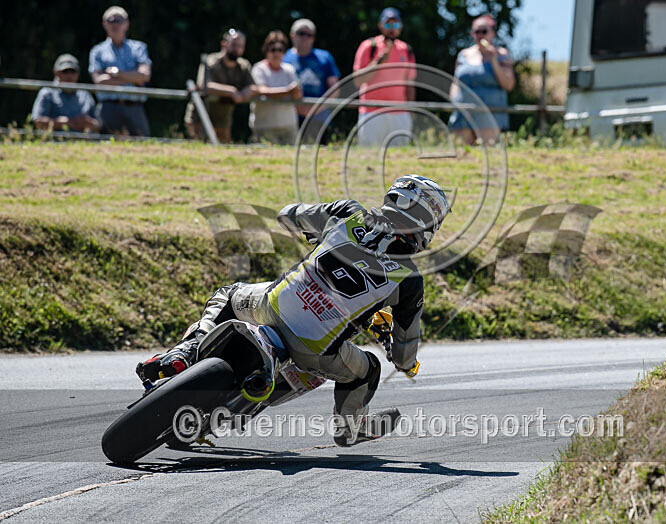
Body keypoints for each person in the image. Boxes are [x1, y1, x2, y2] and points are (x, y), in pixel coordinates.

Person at [136, 175, 450, 446]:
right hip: (313, 351)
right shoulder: (409, 281)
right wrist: (404, 361)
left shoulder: (346, 213)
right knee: (367, 370)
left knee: (228, 296)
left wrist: (313, 232)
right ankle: (350, 429)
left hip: (268, 308)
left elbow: (289, 215)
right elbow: (405, 350)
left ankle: (186, 352)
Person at [352, 7, 417, 147]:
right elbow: (358, 80)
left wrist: (410, 112)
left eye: (396, 24)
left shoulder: (407, 50)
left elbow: (409, 85)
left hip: (400, 114)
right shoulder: (369, 46)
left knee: (399, 158)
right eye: (388, 24)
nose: (392, 28)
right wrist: (378, 62)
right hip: (371, 112)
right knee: (369, 156)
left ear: (401, 27)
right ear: (380, 26)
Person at [449, 14, 515, 145]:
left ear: (493, 33)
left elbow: (508, 85)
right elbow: (455, 82)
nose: (480, 35)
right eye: (476, 32)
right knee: (461, 156)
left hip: (490, 114)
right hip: (463, 114)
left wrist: (494, 61)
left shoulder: (502, 55)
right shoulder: (463, 55)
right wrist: (454, 101)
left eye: (484, 31)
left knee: (487, 155)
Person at [88, 6, 152, 136]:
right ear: (104, 24)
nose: (115, 24)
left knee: (143, 148)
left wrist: (116, 74)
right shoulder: (97, 51)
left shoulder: (139, 48)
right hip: (108, 108)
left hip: (134, 108)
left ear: (127, 24)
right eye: (111, 20)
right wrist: (132, 78)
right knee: (104, 148)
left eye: (119, 20)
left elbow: (144, 76)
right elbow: (99, 81)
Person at [185, 29, 254, 143]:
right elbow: (204, 85)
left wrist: (243, 94)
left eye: (240, 46)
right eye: (234, 45)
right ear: (224, 44)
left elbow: (252, 87)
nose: (237, 49)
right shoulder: (212, 61)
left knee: (221, 151)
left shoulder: (243, 66)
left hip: (223, 117)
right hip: (200, 114)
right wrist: (231, 91)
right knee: (198, 148)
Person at [283, 19, 340, 136]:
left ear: (313, 38)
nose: (305, 37)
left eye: (309, 35)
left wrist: (314, 109)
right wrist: (299, 108)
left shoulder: (324, 57)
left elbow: (335, 90)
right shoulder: (284, 58)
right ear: (292, 35)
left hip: (320, 119)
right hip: (290, 118)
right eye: (301, 33)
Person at [250, 31, 302, 144]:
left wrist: (294, 92)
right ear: (266, 50)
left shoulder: (289, 69)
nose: (276, 53)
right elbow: (263, 91)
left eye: (280, 50)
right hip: (264, 127)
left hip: (289, 126)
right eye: (273, 49)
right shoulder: (259, 69)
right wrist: (288, 91)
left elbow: (298, 95)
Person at [31, 54, 101, 133]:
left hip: (83, 142)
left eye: (73, 72)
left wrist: (90, 123)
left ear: (78, 73)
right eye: (65, 72)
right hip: (54, 142)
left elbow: (98, 125)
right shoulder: (47, 93)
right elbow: (38, 122)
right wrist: (63, 123)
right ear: (56, 73)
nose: (69, 76)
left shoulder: (85, 94)